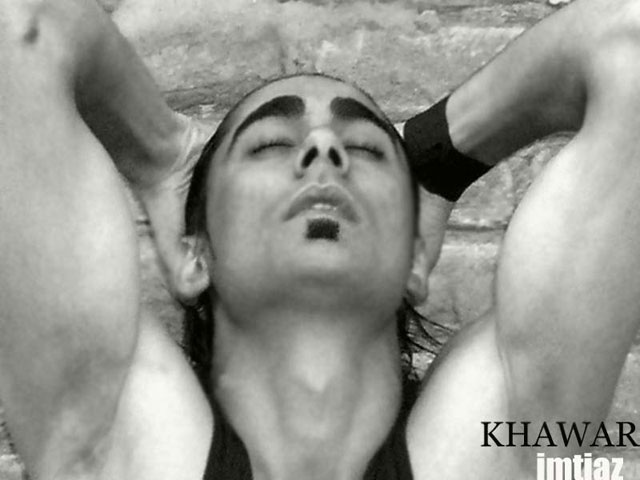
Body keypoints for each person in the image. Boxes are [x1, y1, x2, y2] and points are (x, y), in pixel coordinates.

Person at [1, 0, 640, 479]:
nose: (325, 149)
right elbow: (21, 29)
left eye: (365, 148)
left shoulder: (501, 449)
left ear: (417, 257)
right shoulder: (116, 445)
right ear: (196, 253)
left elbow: (626, 45)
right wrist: (161, 156)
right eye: (269, 145)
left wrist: (435, 155)